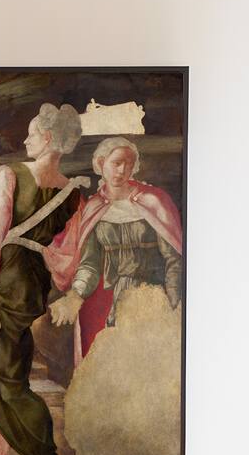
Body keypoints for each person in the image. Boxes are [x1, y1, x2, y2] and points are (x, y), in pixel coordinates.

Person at [0, 103, 88, 455]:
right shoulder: (73, 191)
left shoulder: (8, 175)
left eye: (32, 133)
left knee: (3, 382)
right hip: (32, 285)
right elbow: (69, 258)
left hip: (2, 283)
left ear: (48, 138)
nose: (27, 139)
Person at [48, 136, 183, 359]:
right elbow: (89, 265)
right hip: (119, 302)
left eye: (128, 164)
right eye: (116, 163)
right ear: (101, 164)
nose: (122, 170)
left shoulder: (154, 201)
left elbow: (174, 261)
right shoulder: (95, 207)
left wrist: (174, 305)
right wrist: (75, 295)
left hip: (154, 298)